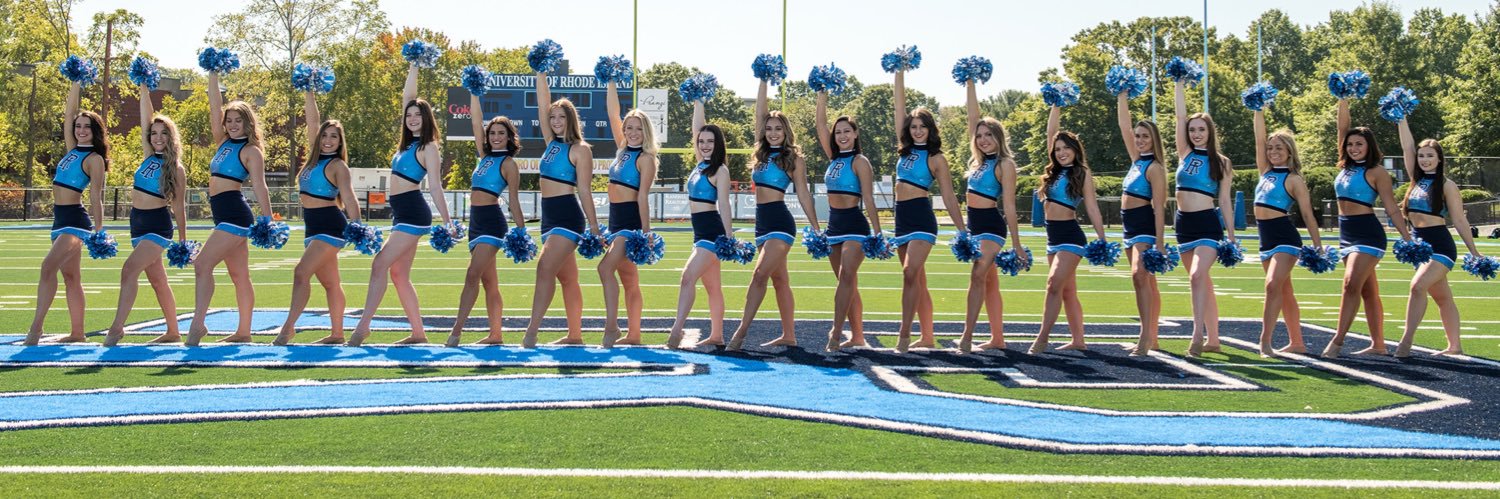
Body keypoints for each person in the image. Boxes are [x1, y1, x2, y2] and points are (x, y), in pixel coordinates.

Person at [347, 59, 454, 346]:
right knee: (398, 274)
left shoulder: (429, 147)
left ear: (427, 118)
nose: (412, 118)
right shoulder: (406, 143)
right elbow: (408, 96)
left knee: (379, 264)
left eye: (418, 114)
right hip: (401, 212)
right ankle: (419, 333)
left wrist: (447, 221)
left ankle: (363, 327)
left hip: (413, 213)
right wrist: (414, 65)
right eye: (409, 115)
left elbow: (435, 186)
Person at [727, 77, 821, 351]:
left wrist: (816, 227)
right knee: (780, 280)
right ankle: (789, 334)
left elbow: (803, 194)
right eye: (768, 128)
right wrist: (763, 81)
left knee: (759, 275)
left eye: (778, 128)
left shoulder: (794, 158)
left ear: (786, 131)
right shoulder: (762, 153)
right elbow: (759, 112)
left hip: (780, 223)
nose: (772, 132)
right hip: (761, 223)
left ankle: (740, 333)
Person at [185, 70, 273, 346]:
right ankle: (244, 331)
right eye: (229, 120)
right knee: (239, 275)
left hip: (235, 215)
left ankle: (198, 324)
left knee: (202, 264)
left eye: (238, 120)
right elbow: (214, 106)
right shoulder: (222, 142)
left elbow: (260, 185)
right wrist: (213, 75)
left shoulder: (251, 151)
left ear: (248, 123)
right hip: (222, 214)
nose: (233, 125)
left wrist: (268, 220)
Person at [272, 90, 365, 346]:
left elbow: (349, 198)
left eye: (334, 136)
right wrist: (309, 90)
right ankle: (337, 334)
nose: (327, 140)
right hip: (312, 226)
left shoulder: (338, 166)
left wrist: (358, 227)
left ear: (340, 142)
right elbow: (312, 120)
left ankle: (288, 328)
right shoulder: (313, 159)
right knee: (331, 283)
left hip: (331, 226)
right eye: (324, 135)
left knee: (301, 272)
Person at [1321, 98, 1411, 358]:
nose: (1353, 148)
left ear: (1369, 146)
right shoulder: (1346, 166)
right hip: (1346, 234)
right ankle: (1378, 345)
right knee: (1368, 291)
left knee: (1350, 284)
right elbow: (1342, 127)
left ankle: (1337, 342)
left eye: (1359, 144)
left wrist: (1407, 237)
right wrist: (1343, 99)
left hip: (1368, 234)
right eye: (1350, 144)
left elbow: (1392, 208)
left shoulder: (1376, 172)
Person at [103, 80, 188, 346]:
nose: (157, 138)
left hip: (157, 226)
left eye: (164, 133)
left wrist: (183, 240)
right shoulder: (148, 155)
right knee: (158, 281)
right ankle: (173, 331)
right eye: (154, 133)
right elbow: (145, 118)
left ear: (171, 137)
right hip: (137, 224)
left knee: (129, 270)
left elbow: (179, 205)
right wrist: (143, 88)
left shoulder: (176, 168)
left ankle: (117, 328)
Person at [520, 65, 600, 348]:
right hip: (548, 217)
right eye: (552, 117)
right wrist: (540, 72)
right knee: (568, 278)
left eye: (561, 116)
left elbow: (585, 190)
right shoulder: (550, 143)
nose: (554, 120)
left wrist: (594, 227)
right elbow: (542, 103)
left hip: (567, 216)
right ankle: (575, 335)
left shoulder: (581, 149)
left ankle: (531, 332)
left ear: (570, 119)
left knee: (544, 268)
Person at [25, 79, 108, 346]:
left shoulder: (94, 159)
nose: (81, 130)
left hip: (75, 221)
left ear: (95, 131)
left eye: (87, 127)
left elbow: (96, 195)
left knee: (47, 267)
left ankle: (35, 329)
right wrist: (75, 82)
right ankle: (77, 333)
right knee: (71, 277)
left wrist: (99, 229)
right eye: (78, 126)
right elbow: (68, 114)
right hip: (59, 219)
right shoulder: (72, 150)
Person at [889, 66, 966, 352]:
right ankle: (928, 336)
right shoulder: (905, 148)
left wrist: (962, 230)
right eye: (913, 127)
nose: (917, 130)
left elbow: (949, 196)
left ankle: (904, 334)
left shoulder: (936, 158)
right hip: (901, 217)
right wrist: (899, 72)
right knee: (917, 280)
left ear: (931, 129)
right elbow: (899, 106)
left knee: (909, 273)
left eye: (922, 127)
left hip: (922, 217)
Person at [1393, 119, 1482, 357]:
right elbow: (1407, 146)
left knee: (1417, 287)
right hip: (1418, 245)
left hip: (1440, 246)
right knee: (1442, 297)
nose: (1424, 160)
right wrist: (1401, 118)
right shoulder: (1416, 179)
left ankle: (1405, 342)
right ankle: (1455, 346)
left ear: (1439, 158)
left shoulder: (1447, 185)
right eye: (1421, 156)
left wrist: (1473, 251)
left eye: (1430, 156)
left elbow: (1459, 220)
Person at [446, 94, 526, 347]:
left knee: (472, 274)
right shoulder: (484, 156)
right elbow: (475, 121)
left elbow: (513, 200)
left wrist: (521, 231)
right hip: (475, 223)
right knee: (489, 281)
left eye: (501, 133)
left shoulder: (509, 163)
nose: (495, 137)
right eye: (492, 133)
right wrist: (473, 92)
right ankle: (496, 334)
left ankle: (455, 332)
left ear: (509, 136)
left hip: (492, 223)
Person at [1028, 104, 1109, 354]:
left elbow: (1092, 207)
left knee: (1053, 284)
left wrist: (1102, 238)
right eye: (1058, 149)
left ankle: (1042, 338)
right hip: (1052, 237)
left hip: (1071, 237)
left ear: (1075, 150)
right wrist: (1056, 105)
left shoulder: (1082, 172)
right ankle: (1078, 340)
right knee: (1067, 291)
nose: (1061, 152)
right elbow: (1050, 132)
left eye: (1066, 148)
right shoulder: (1053, 171)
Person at [954, 78, 1020, 354]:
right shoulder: (979, 162)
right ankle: (997, 338)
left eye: (988, 135)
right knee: (990, 283)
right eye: (979, 136)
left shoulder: (1005, 164)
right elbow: (973, 118)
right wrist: (970, 84)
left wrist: (1016, 244)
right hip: (974, 226)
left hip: (992, 226)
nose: (982, 140)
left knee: (977, 275)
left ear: (998, 137)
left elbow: (1010, 207)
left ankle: (967, 336)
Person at [1251, 109, 1323, 356]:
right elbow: (1258, 138)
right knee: (1284, 291)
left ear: (1290, 152)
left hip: (1285, 239)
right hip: (1265, 239)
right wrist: (1258, 110)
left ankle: (1265, 341)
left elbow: (1308, 215)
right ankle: (1297, 342)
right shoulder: (1265, 171)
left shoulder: (1294, 180)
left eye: (1279, 148)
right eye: (1270, 148)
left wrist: (1318, 245)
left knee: (1272, 286)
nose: (1273, 152)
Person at [1172, 78, 1236, 357]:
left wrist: (1231, 235)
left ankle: (1197, 334)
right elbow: (1180, 115)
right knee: (1202, 283)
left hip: (1208, 224)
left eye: (1201, 129)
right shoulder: (1184, 153)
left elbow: (1225, 200)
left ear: (1210, 132)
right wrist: (1179, 84)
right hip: (1183, 225)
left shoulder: (1222, 162)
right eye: (1192, 130)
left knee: (1197, 276)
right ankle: (1214, 339)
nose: (1196, 134)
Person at [815, 86, 880, 352]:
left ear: (855, 134)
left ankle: (836, 330)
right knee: (847, 284)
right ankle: (858, 336)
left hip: (855, 225)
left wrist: (877, 232)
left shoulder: (860, 161)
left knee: (846, 276)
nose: (842, 135)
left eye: (846, 131)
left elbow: (869, 199)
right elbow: (820, 124)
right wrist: (822, 94)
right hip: (834, 226)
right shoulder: (833, 157)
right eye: (838, 132)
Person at [666, 101, 733, 349]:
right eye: (701, 141)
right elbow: (697, 128)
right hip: (699, 232)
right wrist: (698, 100)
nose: (704, 145)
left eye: (710, 141)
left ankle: (676, 331)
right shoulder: (699, 164)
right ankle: (717, 335)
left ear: (718, 144)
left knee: (687, 277)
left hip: (712, 233)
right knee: (713, 287)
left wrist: (728, 237)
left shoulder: (720, 170)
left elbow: (724, 204)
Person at [596, 78, 657, 347]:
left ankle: (612, 327)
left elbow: (642, 196)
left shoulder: (646, 159)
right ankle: (634, 335)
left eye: (638, 128)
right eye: (629, 127)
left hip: (629, 223)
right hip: (614, 220)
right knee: (629, 280)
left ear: (646, 131)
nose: (633, 132)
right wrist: (610, 81)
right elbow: (613, 113)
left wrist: (646, 232)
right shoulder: (622, 149)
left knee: (604, 268)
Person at [1114, 88, 1168, 356]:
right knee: (1147, 282)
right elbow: (1123, 125)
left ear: (1154, 140)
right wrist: (1122, 95)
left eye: (1145, 136)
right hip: (1129, 226)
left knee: (1139, 276)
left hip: (1145, 226)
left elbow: (1159, 207)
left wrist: (1160, 242)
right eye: (1138, 136)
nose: (1140, 140)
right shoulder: (1136, 160)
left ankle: (1145, 338)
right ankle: (1152, 336)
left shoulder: (1155, 168)